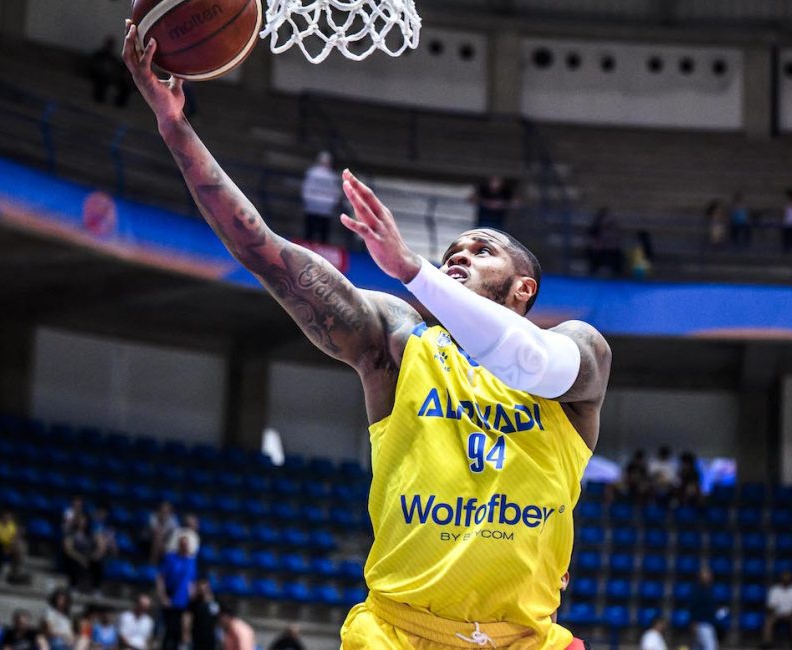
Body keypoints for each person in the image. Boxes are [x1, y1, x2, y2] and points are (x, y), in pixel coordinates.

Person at [124, 24, 611, 650]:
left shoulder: (580, 352)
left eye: (481, 250)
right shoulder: (398, 341)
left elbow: (531, 361)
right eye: (451, 251)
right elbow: (265, 252)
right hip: (396, 633)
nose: (458, 256)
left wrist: (415, 270)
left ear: (524, 288)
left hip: (526, 639)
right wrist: (174, 128)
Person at [157, 533, 197, 650]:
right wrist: (163, 596)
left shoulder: (191, 561)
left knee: (180, 633)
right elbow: (161, 578)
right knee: (169, 631)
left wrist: (192, 597)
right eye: (182, 544)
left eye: (186, 544)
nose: (184, 546)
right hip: (170, 600)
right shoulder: (170, 558)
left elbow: (192, 582)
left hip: (184, 602)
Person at [301, 151, 343, 244]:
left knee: (318, 233)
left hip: (320, 208)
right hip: (317, 207)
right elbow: (306, 188)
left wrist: (308, 200)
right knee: (314, 232)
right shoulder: (315, 173)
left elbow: (336, 192)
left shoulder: (331, 176)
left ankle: (312, 247)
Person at [63, 513, 104, 593]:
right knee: (74, 562)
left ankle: (96, 589)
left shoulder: (91, 534)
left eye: (84, 521)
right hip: (74, 556)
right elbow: (68, 549)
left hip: (88, 557)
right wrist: (81, 559)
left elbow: (100, 547)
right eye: (80, 521)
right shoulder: (71, 533)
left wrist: (95, 555)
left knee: (98, 562)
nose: (82, 523)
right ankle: (73, 586)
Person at [764, 571, 792, 648]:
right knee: (769, 620)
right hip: (778, 614)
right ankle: (767, 642)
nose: (786, 579)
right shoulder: (774, 590)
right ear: (781, 579)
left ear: (791, 579)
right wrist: (774, 612)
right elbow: (770, 606)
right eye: (784, 578)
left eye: (788, 578)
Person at [87, 37, 131, 107]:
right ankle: (98, 99)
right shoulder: (99, 54)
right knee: (102, 80)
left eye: (112, 45)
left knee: (126, 85)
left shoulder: (113, 58)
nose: (110, 47)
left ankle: (120, 104)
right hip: (98, 75)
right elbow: (92, 65)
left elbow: (119, 68)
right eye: (110, 45)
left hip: (111, 77)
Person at [586, 208, 624, 277]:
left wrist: (611, 243)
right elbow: (593, 243)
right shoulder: (595, 230)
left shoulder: (613, 230)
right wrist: (600, 244)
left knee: (616, 253)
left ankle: (614, 272)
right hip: (600, 253)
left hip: (611, 253)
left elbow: (616, 242)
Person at [185, 578, 219, 650]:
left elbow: (219, 617)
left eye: (205, 588)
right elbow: (188, 618)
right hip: (197, 636)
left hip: (211, 636)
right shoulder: (194, 603)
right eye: (200, 588)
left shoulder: (215, 601)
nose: (203, 590)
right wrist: (186, 633)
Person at [690, 568, 719, 650]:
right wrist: (694, 622)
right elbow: (693, 607)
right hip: (701, 624)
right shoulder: (697, 591)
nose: (707, 578)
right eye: (704, 576)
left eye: (708, 576)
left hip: (709, 623)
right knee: (709, 647)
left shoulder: (710, 590)